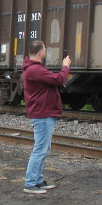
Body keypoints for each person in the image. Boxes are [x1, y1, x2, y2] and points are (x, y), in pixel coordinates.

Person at [22, 41, 71, 194]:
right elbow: (58, 79)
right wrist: (66, 66)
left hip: (44, 113)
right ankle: (30, 183)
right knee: (40, 150)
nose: (45, 52)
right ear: (40, 53)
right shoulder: (35, 70)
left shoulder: (34, 69)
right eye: (44, 50)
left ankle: (37, 181)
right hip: (42, 114)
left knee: (43, 149)